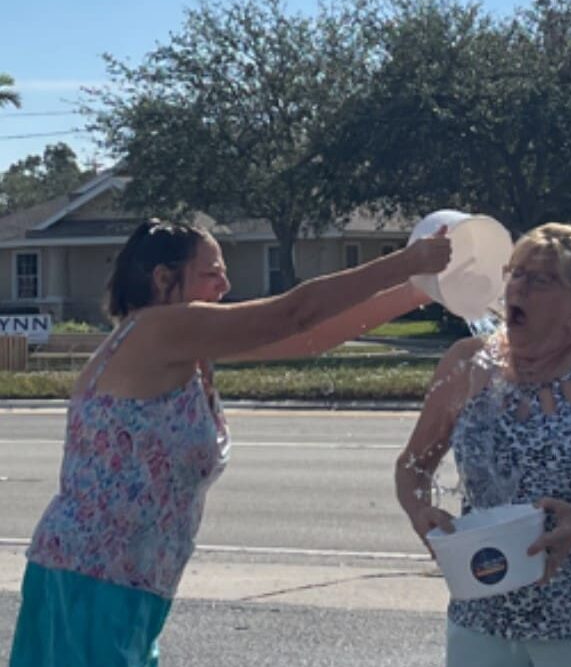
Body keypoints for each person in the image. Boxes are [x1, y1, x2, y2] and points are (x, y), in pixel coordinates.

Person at [9, 217, 451, 667]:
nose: (226, 283)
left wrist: (420, 291)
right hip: (91, 580)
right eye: (211, 272)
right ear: (163, 279)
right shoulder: (156, 331)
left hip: (122, 580)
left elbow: (308, 335)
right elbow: (294, 312)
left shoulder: (179, 345)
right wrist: (406, 262)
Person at [395, 222, 571, 667]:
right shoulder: (468, 361)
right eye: (516, 273)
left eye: (541, 279)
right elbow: (412, 465)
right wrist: (419, 510)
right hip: (480, 611)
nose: (518, 287)